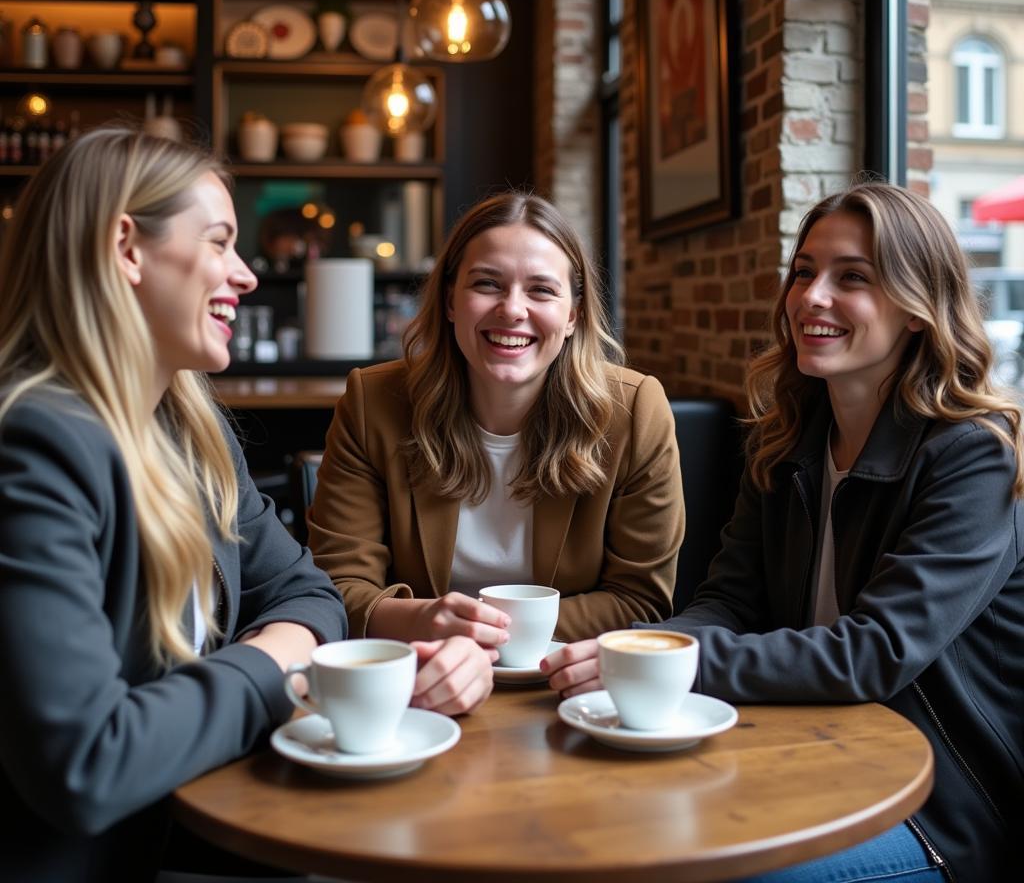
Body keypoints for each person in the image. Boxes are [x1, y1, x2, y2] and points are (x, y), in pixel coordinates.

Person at [0, 127, 490, 883]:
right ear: (126, 247)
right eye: (221, 242)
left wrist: (312, 657)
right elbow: (86, 765)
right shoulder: (35, 445)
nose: (247, 274)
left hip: (208, 822)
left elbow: (309, 592)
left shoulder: (193, 434)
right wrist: (274, 661)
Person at [543, 183, 1023, 882]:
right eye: (804, 272)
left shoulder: (973, 454)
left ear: (919, 309)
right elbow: (728, 602)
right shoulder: (787, 440)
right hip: (807, 749)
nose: (812, 297)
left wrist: (668, 666)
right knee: (605, 827)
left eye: (852, 277)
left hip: (937, 803)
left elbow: (875, 652)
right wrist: (644, 651)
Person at [308, 191, 684, 656]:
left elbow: (641, 600)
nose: (512, 309)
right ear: (449, 301)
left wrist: (489, 636)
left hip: (567, 676)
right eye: (487, 284)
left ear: (573, 316)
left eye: (541, 290)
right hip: (417, 667)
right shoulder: (374, 402)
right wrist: (424, 620)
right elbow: (337, 585)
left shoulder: (635, 412)